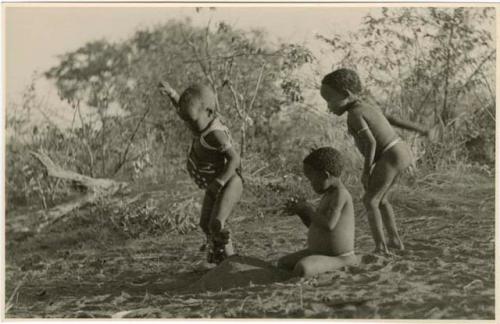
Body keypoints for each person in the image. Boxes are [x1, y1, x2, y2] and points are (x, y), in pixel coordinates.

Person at [320, 68, 415, 254]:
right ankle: (394, 240)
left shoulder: (354, 114)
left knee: (370, 201)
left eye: (330, 100)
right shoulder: (367, 105)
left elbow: (371, 142)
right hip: (401, 150)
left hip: (391, 153)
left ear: (346, 95)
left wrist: (366, 171)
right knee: (381, 199)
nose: (329, 107)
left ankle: (381, 246)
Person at [160, 82, 243, 264]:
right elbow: (185, 112)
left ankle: (230, 260)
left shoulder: (215, 134)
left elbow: (235, 160)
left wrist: (219, 182)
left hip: (230, 182)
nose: (190, 125)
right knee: (205, 224)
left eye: (192, 120)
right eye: (187, 120)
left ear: (209, 113)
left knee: (216, 223)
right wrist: (173, 95)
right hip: (215, 185)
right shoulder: (200, 123)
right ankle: (222, 258)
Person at [278, 147, 358, 277]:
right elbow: (316, 225)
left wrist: (308, 209)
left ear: (325, 175)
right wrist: (301, 212)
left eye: (311, 179)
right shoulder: (328, 194)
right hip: (319, 253)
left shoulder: (340, 195)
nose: (310, 184)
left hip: (340, 257)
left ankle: (346, 263)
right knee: (283, 263)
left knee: (303, 268)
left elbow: (329, 225)